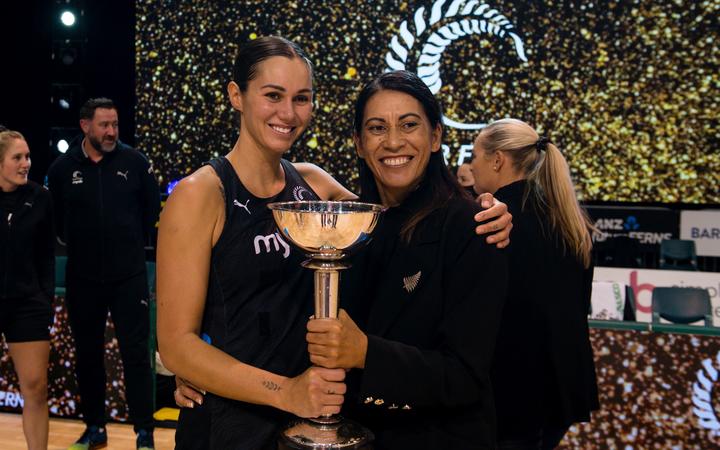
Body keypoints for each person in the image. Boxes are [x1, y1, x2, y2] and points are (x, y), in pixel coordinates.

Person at [159, 37, 512, 449]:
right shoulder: (199, 193)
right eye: (273, 95)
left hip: (310, 419)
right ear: (236, 95)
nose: (288, 113)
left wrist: (486, 208)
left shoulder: (313, 185)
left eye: (302, 98)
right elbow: (176, 345)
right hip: (232, 425)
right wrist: (265, 385)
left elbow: (394, 214)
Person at [305, 71, 508, 449]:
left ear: (435, 137)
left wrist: (366, 353)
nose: (393, 141)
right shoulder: (350, 227)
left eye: (409, 125)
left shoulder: (472, 226)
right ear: (359, 143)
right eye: (377, 127)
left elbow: (465, 375)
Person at [470, 118, 599, 449]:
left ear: (497, 159)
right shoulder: (569, 221)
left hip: (512, 394)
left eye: (474, 156)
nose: (471, 167)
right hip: (563, 390)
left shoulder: (492, 223)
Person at [46, 98, 160, 450]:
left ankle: (144, 433)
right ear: (85, 126)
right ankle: (95, 427)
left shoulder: (136, 163)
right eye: (104, 125)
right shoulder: (63, 169)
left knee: (137, 355)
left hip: (128, 277)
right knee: (87, 355)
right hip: (83, 279)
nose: (111, 132)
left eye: (115, 124)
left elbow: (150, 213)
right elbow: (57, 223)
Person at [0, 129, 54, 450]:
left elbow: (47, 256)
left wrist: (44, 300)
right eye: (17, 158)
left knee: (35, 387)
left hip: (28, 305)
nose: (25, 163)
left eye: (28, 157)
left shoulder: (40, 197)